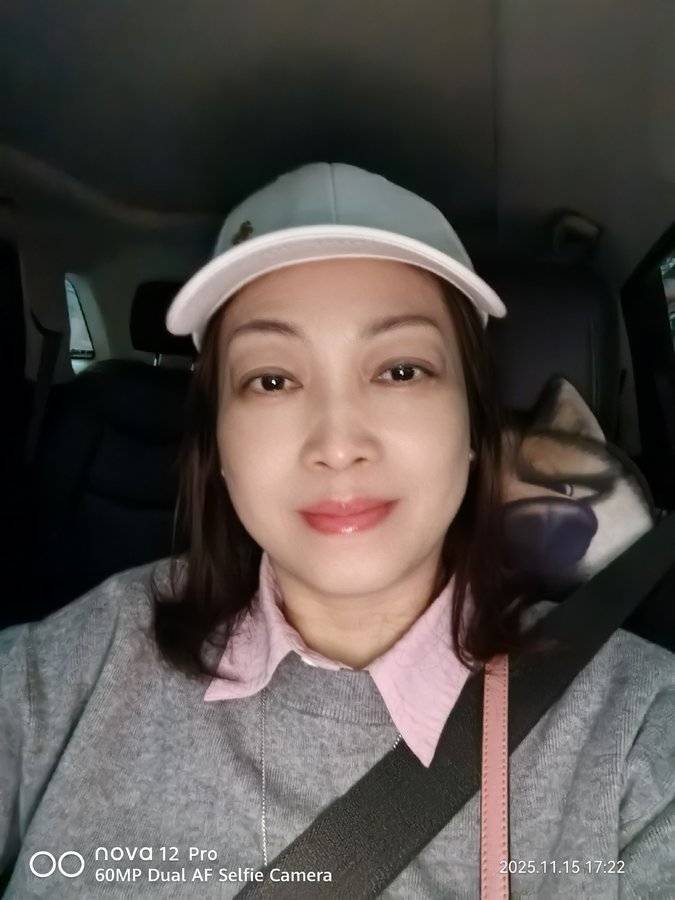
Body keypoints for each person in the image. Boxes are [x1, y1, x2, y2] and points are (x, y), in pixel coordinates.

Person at [1, 162, 673, 899]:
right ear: (219, 445)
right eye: (272, 380)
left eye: (401, 370)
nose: (338, 443)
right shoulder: (74, 667)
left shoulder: (634, 727)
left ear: (474, 430)